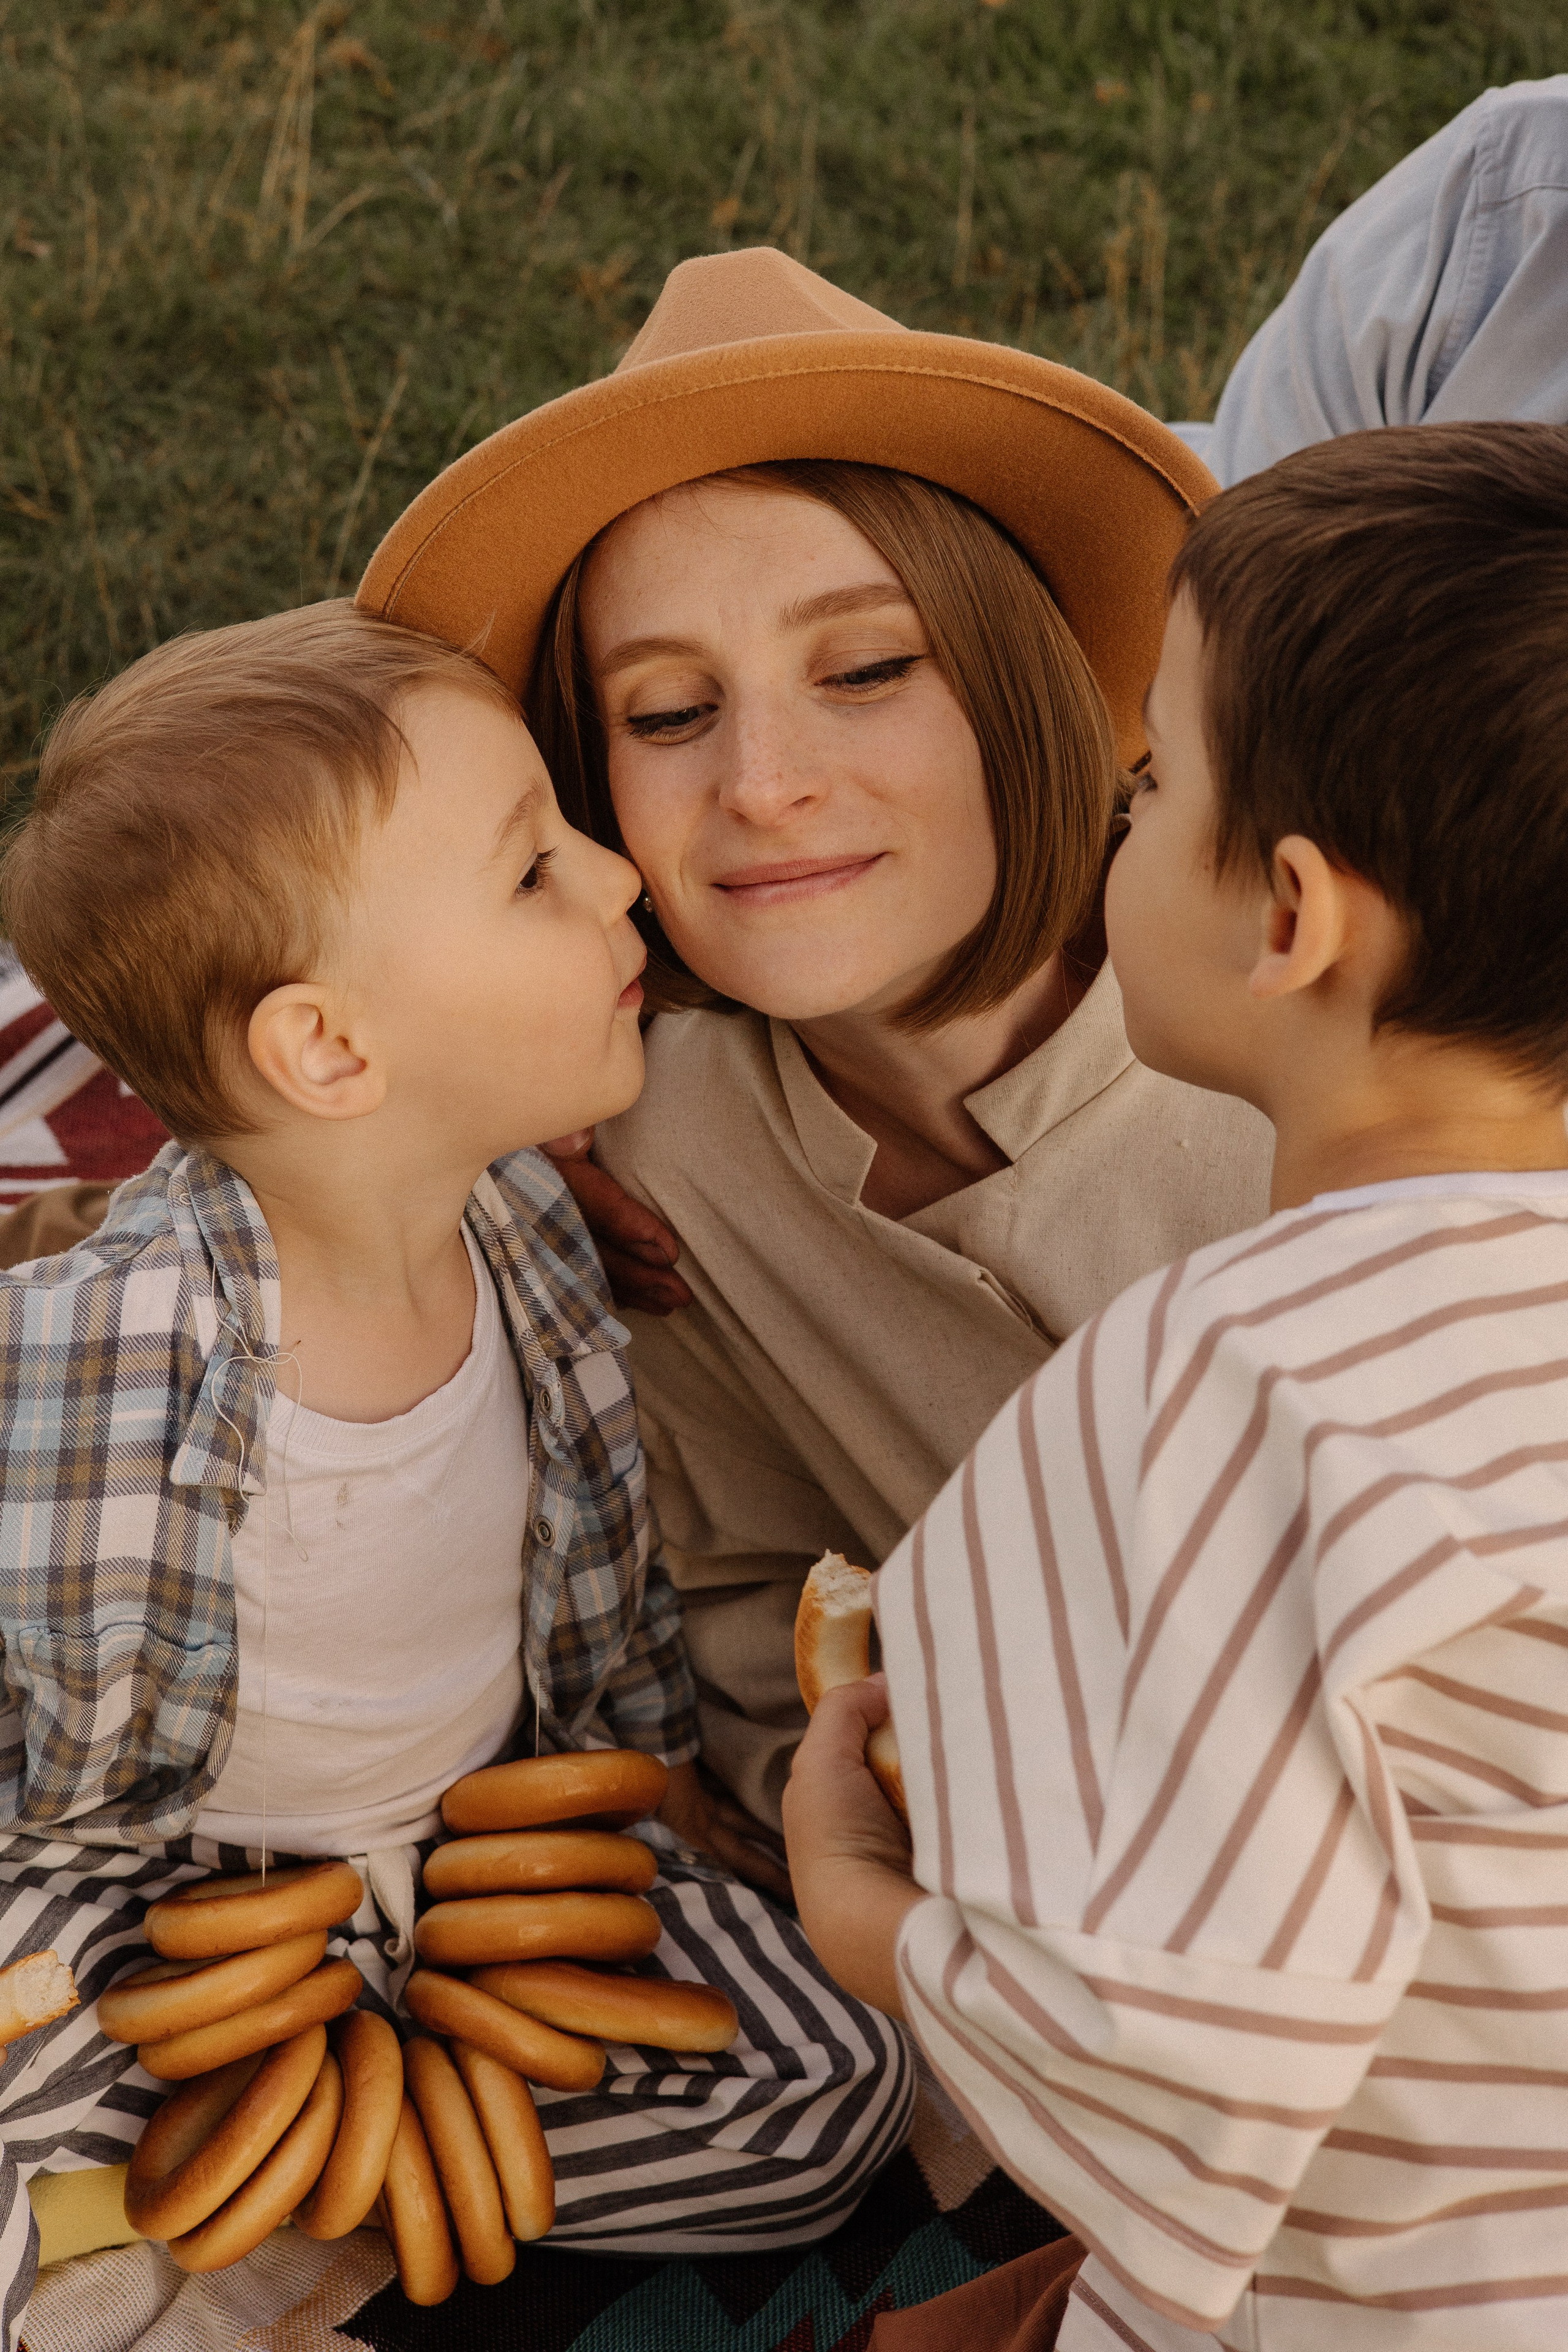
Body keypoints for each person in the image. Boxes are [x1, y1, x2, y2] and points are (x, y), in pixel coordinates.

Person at [0, 605, 911, 2348]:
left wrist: (658, 1791)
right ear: (332, 1052)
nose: (621, 879)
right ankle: (185, 2164)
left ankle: (309, 2171)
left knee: (835, 2083)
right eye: (533, 875)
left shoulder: (537, 1245)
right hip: (160, 1912)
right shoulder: (94, 1358)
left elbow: (607, 1580)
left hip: (472, 1886)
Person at [784, 421, 1568, 2349]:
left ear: (1288, 918)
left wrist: (866, 1911)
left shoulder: (1216, 1386)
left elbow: (1174, 2057)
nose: (1122, 818)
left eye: (1155, 784)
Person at [355, 246, 1273, 1868]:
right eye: (662, 714)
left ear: (1029, 690)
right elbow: (763, 1603)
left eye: (864, 671)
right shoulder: (651, 1161)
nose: (764, 783)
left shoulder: (1311, 1048)